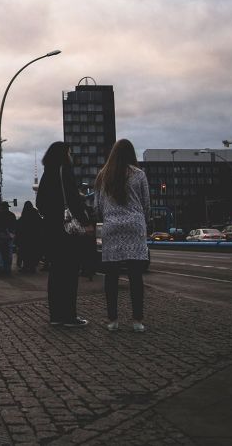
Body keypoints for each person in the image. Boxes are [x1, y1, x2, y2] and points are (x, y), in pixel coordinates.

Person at [94, 138, 150, 333]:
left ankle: (113, 320)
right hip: (134, 227)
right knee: (135, 276)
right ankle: (137, 321)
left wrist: (110, 217)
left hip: (112, 228)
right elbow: (146, 203)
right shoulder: (139, 175)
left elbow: (97, 207)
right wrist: (141, 220)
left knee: (111, 276)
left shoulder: (103, 175)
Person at [36, 141, 92, 327]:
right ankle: (69, 316)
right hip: (67, 232)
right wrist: (85, 222)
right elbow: (73, 201)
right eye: (69, 152)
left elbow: (40, 204)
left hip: (51, 230)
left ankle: (56, 316)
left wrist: (53, 213)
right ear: (63, 154)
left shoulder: (47, 173)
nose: (71, 156)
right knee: (69, 273)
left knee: (56, 273)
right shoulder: (64, 171)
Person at [16, 201, 44, 273]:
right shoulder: (36, 215)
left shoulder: (24, 215)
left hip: (25, 239)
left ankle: (26, 267)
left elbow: (19, 226)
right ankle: (32, 267)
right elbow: (41, 225)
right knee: (33, 253)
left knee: (25, 254)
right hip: (35, 238)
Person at [0, 201, 17, 275]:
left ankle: (2, 267)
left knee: (0, 252)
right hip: (9, 236)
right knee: (8, 253)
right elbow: (14, 225)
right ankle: (7, 268)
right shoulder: (12, 215)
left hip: (1, 235)